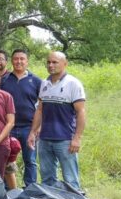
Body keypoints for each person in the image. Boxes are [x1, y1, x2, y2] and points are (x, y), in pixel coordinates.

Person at [27, 51, 86, 190]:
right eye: (48, 62)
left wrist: (77, 138)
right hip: (45, 139)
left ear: (65, 64)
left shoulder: (73, 84)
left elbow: (81, 112)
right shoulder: (44, 83)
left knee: (70, 179)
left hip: (65, 140)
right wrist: (32, 132)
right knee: (47, 179)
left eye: (55, 62)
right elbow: (40, 110)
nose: (51, 65)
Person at [0, 49, 43, 187]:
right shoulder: (4, 80)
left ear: (27, 61)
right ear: (11, 61)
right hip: (8, 127)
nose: (19, 61)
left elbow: (42, 107)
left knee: (30, 160)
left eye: (22, 59)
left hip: (29, 128)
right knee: (6, 158)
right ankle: (8, 189)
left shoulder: (36, 81)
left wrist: (38, 127)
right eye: (16, 59)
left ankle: (30, 188)